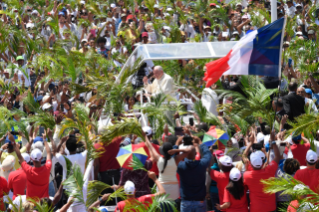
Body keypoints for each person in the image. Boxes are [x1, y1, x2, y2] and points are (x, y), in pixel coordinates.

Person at [243, 130, 280, 212]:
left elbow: (243, 156)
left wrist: (250, 143)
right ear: (263, 161)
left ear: (251, 164)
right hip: (271, 208)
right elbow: (277, 156)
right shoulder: (270, 170)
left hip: (256, 209)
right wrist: (273, 141)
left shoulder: (247, 175)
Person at [13, 130, 52, 200]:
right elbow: (49, 153)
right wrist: (45, 139)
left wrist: (13, 142)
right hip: (44, 204)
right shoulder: (47, 167)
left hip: (31, 205)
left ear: (31, 159)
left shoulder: (28, 170)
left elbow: (20, 157)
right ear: (42, 158)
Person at [177, 136, 212, 212]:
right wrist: (200, 142)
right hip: (200, 201)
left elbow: (172, 157)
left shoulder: (181, 166)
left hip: (185, 201)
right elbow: (208, 154)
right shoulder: (202, 164)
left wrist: (177, 143)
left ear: (185, 154)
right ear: (196, 153)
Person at [94, 137, 123, 205]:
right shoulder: (116, 141)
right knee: (118, 199)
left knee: (104, 200)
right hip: (116, 174)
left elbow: (97, 165)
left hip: (103, 176)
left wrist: (95, 179)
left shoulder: (97, 146)